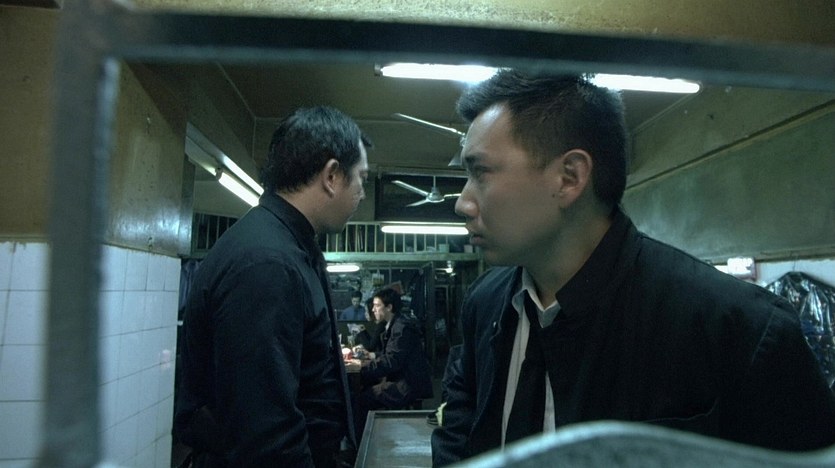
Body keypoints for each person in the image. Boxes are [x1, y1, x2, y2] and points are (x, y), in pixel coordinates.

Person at [431, 69, 835, 465]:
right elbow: (460, 425)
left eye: (480, 173)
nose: (462, 203)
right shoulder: (485, 303)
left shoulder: (739, 331)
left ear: (569, 177)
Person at [174, 106, 370, 467]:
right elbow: (266, 434)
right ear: (331, 175)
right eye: (361, 178)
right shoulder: (267, 262)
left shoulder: (288, 246)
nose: (362, 193)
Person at [348, 288, 434, 440]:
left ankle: (362, 443)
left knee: (360, 399)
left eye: (377, 305)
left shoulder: (401, 328)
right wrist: (368, 361)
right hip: (403, 378)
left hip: (408, 383)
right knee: (366, 386)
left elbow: (391, 361)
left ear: (389, 307)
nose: (373, 309)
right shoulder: (394, 324)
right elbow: (389, 355)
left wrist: (361, 367)